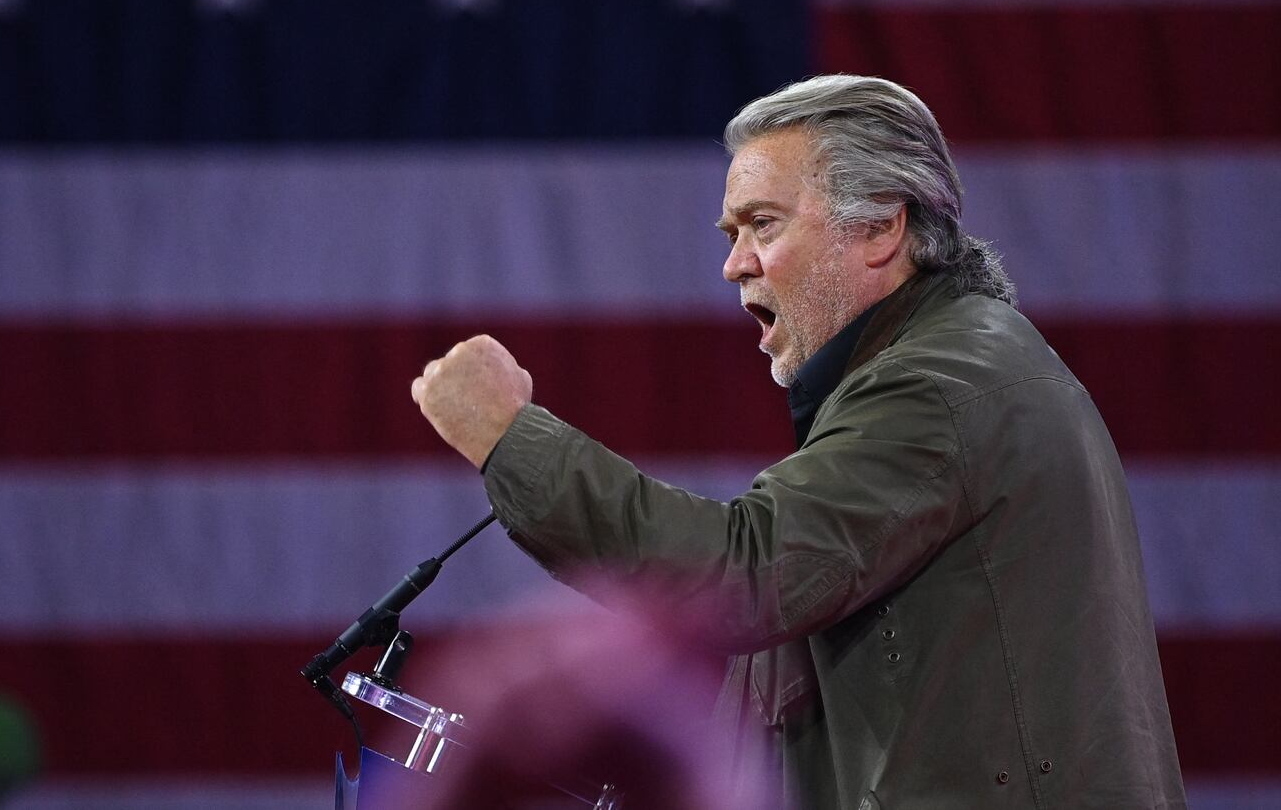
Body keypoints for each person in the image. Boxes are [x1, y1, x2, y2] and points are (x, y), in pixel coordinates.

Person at [410, 75, 1187, 808]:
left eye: (763, 224)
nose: (733, 264)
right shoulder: (941, 367)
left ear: (880, 226)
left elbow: (742, 575)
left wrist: (510, 439)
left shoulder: (941, 384)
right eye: (732, 231)